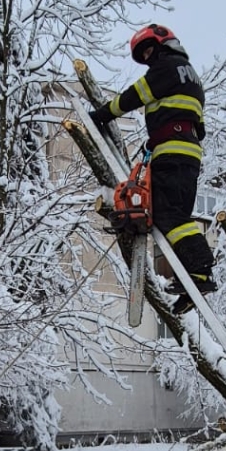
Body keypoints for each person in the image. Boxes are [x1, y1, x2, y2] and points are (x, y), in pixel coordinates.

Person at [89, 23, 215, 314]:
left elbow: (135, 95)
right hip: (187, 152)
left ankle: (200, 268)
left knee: (170, 216)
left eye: (149, 50)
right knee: (173, 214)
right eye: (143, 54)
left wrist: (104, 113)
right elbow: (200, 127)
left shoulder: (168, 67)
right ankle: (194, 277)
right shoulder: (193, 78)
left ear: (163, 45)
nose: (147, 57)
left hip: (171, 152)